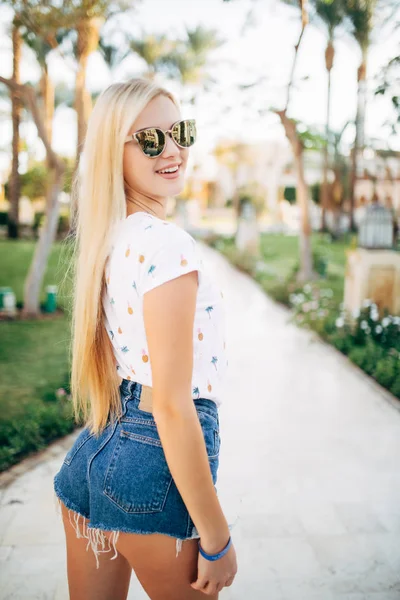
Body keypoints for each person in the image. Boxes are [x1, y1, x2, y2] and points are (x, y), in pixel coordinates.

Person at [53, 77, 237, 599]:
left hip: (95, 450)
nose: (173, 149)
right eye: (151, 139)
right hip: (150, 464)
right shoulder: (168, 246)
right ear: (117, 152)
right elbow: (173, 406)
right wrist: (218, 539)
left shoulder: (113, 237)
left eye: (180, 132)